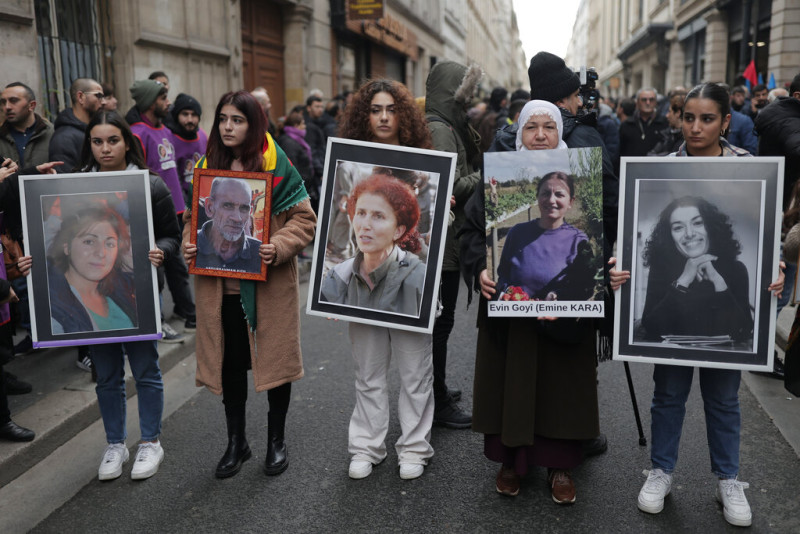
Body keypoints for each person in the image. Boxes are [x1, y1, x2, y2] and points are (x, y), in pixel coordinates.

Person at [615, 82, 785, 528]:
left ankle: (729, 479)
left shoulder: (750, 169)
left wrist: (777, 267)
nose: (695, 127)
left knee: (724, 400)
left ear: (725, 122)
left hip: (725, 348)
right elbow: (649, 328)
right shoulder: (658, 168)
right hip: (672, 342)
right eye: (688, 117)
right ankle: (661, 471)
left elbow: (746, 329)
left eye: (707, 118)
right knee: (668, 396)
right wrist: (633, 270)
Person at [459, 99, 601, 504]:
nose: (540, 135)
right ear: (518, 133)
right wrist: (480, 271)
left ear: (560, 133)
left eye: (548, 127)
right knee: (514, 381)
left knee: (562, 386)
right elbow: (470, 234)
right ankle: (512, 459)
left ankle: (560, 464)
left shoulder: (581, 186)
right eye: (530, 127)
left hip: (564, 319)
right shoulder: (496, 172)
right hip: (513, 316)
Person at [182, 90, 315, 479]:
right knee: (230, 365)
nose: (228, 126)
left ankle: (277, 441)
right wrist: (191, 245)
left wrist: (280, 246)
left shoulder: (278, 164)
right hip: (219, 289)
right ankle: (236, 442)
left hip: (268, 287)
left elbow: (304, 220)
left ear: (253, 123)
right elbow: (192, 219)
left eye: (237, 120)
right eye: (223, 118)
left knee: (276, 362)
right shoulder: (207, 166)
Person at [45, 110, 179, 479]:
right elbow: (51, 242)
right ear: (89, 145)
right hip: (90, 300)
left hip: (136, 296)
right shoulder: (74, 185)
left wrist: (160, 251)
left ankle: (151, 441)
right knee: (105, 375)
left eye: (113, 140)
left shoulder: (149, 185)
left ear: (127, 142)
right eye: (97, 141)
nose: (105, 148)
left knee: (146, 370)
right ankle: (115, 444)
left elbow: (172, 235)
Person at [331, 78, 435, 480]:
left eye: (391, 108)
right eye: (376, 109)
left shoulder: (425, 161)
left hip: (410, 281)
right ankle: (367, 446)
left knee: (414, 371)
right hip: (364, 281)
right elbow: (339, 230)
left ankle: (413, 447)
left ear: (404, 114)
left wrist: (445, 206)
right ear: (365, 114)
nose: (384, 116)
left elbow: (432, 233)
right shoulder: (349, 163)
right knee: (369, 370)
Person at [425, 60, 484, 429]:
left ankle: (438, 389)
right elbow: (451, 186)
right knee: (440, 324)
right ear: (453, 92)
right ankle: (436, 399)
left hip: (446, 238)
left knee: (440, 323)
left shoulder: (443, 124)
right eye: (464, 94)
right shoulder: (441, 129)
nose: (469, 102)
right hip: (443, 242)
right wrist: (487, 173)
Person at [127, 79, 195, 336]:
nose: (168, 102)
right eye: (163, 97)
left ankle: (186, 310)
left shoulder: (165, 130)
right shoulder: (136, 133)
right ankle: (157, 320)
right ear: (149, 101)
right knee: (157, 268)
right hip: (152, 211)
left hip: (175, 209)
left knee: (177, 264)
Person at [639, 197, 753, 342]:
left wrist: (718, 282)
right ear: (670, 235)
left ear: (711, 226)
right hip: (674, 359)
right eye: (678, 227)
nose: (689, 233)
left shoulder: (736, 269)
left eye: (698, 223)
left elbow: (743, 330)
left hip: (719, 359)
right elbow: (651, 327)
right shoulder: (660, 270)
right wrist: (683, 280)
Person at [320, 173, 425, 315]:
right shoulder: (336, 277)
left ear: (398, 231)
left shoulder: (420, 279)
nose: (365, 225)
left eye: (378, 216)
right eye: (361, 213)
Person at [495, 171, 593, 302]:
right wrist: (510, 294)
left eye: (559, 194)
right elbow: (503, 275)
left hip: (559, 320)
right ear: (538, 198)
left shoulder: (579, 241)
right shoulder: (517, 233)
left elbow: (585, 288)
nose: (551, 200)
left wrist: (559, 297)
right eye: (546, 193)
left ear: (571, 201)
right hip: (518, 319)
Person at [46, 205, 137, 333]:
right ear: (67, 247)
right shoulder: (50, 308)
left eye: (110, 244)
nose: (101, 253)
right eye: (89, 241)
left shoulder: (122, 288)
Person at [194, 177, 262, 273]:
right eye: (228, 206)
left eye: (244, 208)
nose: (237, 218)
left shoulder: (260, 253)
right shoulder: (192, 245)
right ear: (209, 208)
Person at [0, 82, 54, 169]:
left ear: (31, 105)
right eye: (3, 102)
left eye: (13, 100)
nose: (7, 107)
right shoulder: (2, 136)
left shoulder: (52, 133)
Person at [168, 93, 208, 207]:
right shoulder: (170, 138)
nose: (190, 119)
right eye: (185, 114)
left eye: (194, 115)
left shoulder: (203, 135)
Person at [619, 87, 669, 158]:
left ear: (656, 102)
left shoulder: (665, 124)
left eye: (651, 100)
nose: (648, 103)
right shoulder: (626, 125)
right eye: (644, 100)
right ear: (637, 102)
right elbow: (620, 151)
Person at [275, 110, 314, 193]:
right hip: (298, 189)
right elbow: (292, 169)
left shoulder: (296, 139)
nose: (305, 126)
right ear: (296, 125)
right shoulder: (289, 143)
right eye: (303, 123)